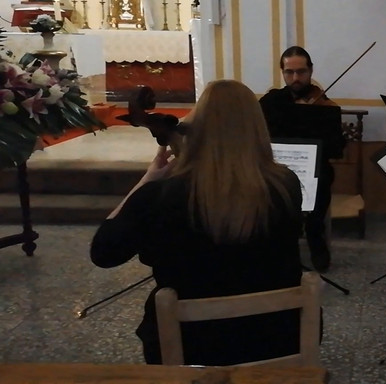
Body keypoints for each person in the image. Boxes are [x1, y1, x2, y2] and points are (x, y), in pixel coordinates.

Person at [90, 80, 305, 365]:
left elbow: (104, 253)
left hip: (190, 344)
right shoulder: (286, 184)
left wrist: (146, 181)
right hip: (277, 339)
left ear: (197, 128)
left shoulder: (161, 195)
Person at [259, 46, 345, 272]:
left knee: (323, 182)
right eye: (289, 72)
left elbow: (337, 148)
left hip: (315, 169)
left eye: (301, 72)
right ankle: (278, 248)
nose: (295, 78)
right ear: (282, 72)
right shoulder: (271, 102)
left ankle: (317, 242)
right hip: (278, 168)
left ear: (311, 70)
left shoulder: (326, 107)